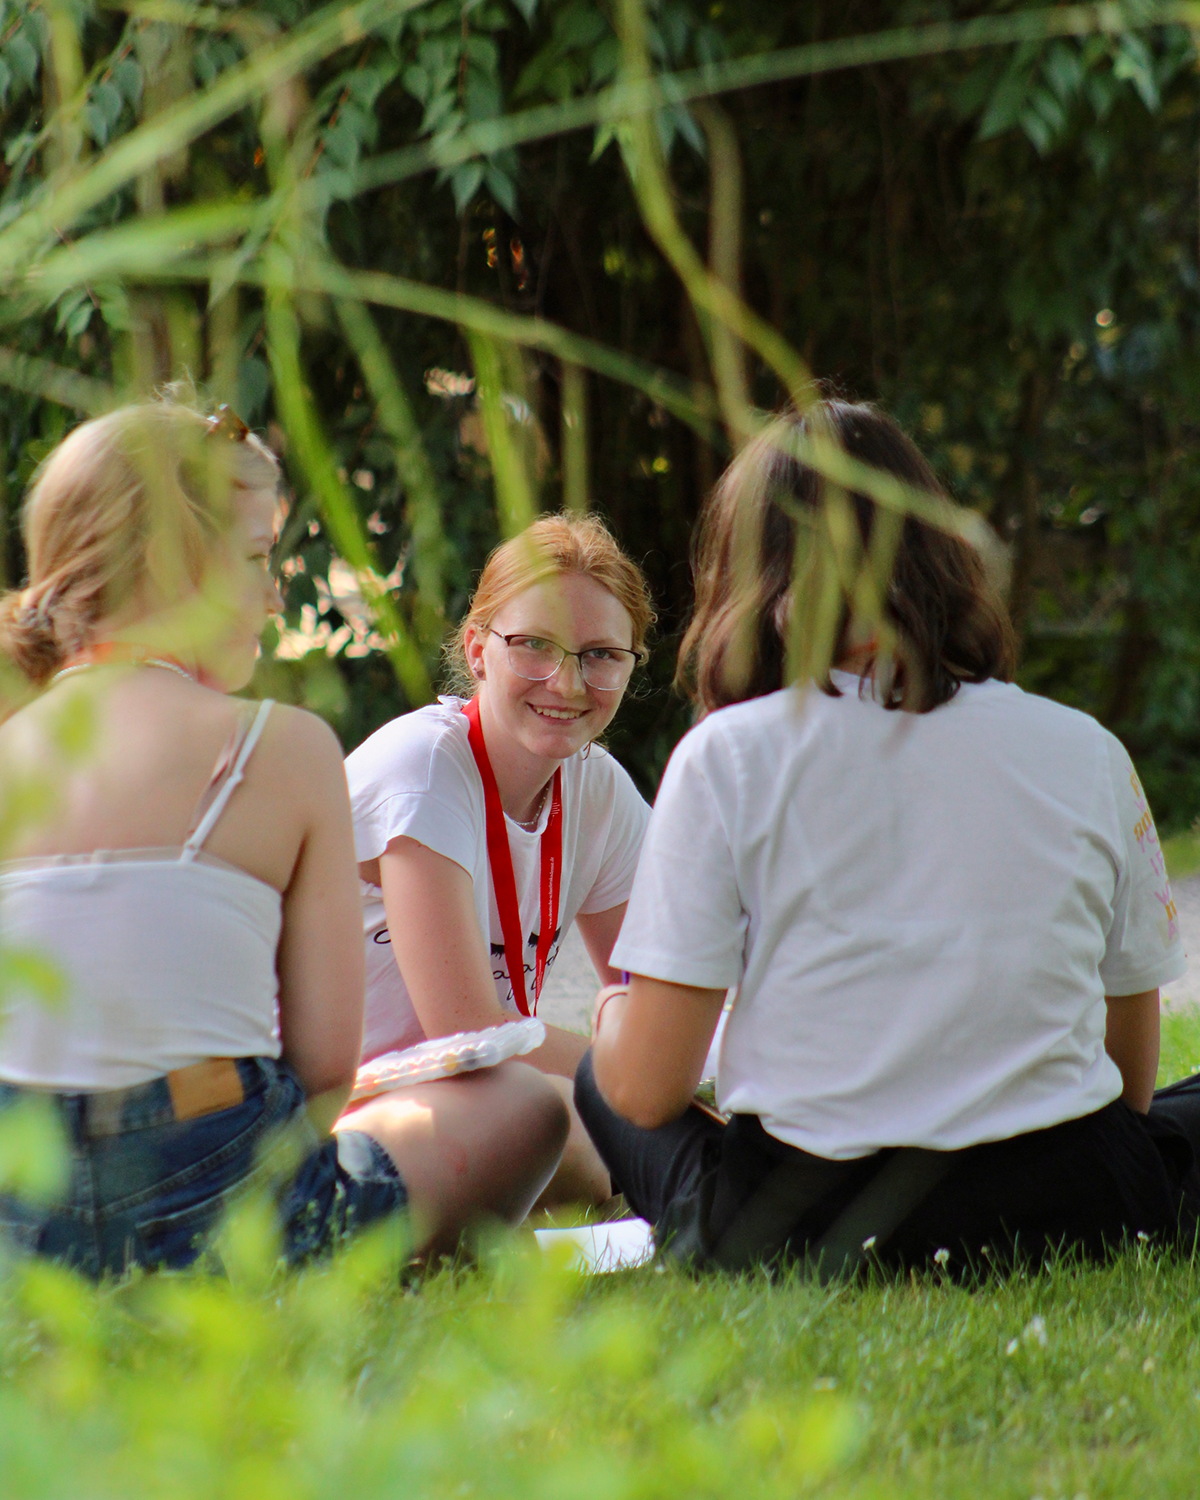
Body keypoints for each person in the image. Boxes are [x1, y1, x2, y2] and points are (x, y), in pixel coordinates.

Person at [575, 398, 1200, 1276]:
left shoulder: (727, 757)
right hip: (1078, 1199)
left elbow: (646, 1091)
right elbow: (1129, 1086)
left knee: (595, 1083)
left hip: (810, 1219)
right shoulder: (1086, 748)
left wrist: (611, 1014)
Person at [0, 401, 567, 1278]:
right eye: (259, 558)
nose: (274, 595)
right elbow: (322, 1075)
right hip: (219, 1208)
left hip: (19, 1215)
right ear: (169, 564)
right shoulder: (283, 745)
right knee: (524, 1109)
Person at [343, 514, 654, 1205]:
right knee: (572, 1134)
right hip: (340, 1113)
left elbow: (657, 990)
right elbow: (467, 1032)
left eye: (602, 655)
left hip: (471, 1096)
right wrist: (641, 1083)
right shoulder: (423, 767)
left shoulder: (598, 788)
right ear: (478, 650)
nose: (569, 684)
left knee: (603, 1136)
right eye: (535, 646)